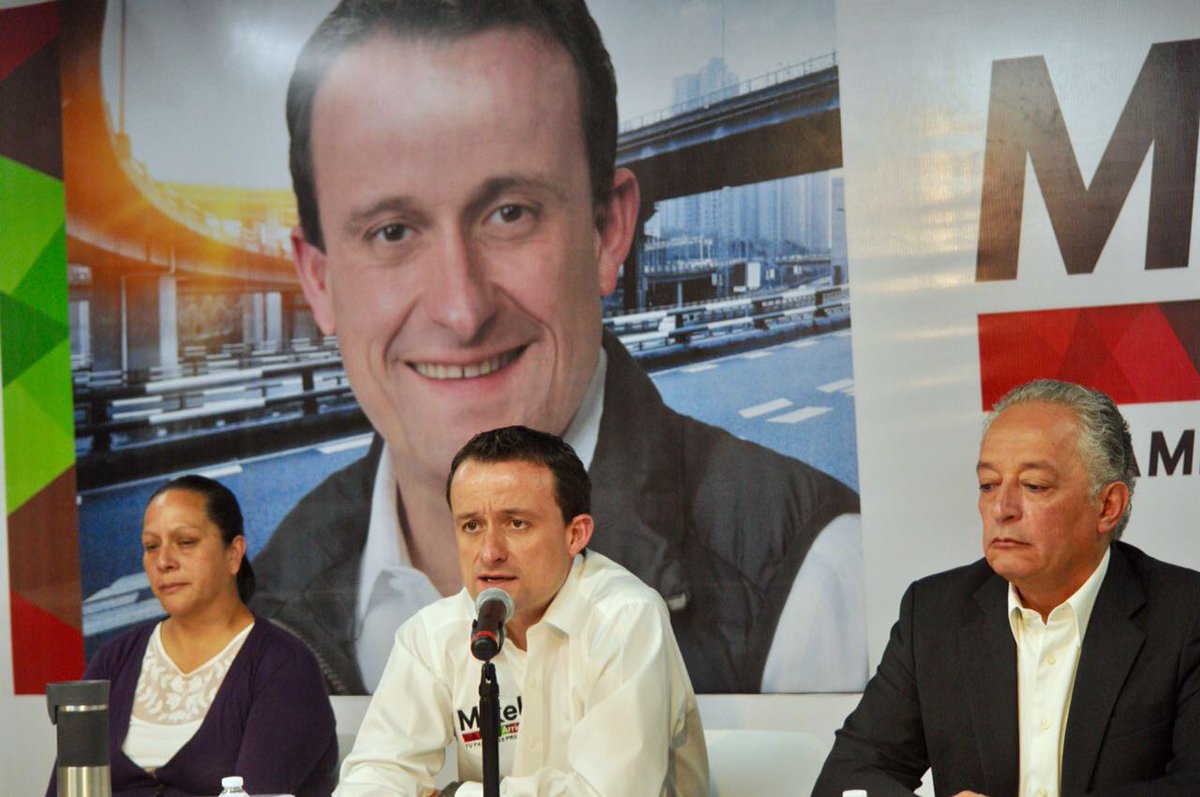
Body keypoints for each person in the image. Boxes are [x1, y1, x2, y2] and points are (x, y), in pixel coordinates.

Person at [251, 0, 863, 697]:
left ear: (608, 231)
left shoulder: (819, 594)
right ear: (319, 280)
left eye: (510, 213)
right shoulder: (256, 612)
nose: (461, 310)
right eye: (392, 232)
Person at [813, 379, 1200, 796]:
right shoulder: (933, 613)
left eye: (1034, 486)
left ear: (1107, 506)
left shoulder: (1186, 615)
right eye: (988, 485)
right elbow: (849, 775)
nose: (1002, 508)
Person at [336, 425, 708, 796]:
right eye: (471, 525)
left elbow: (608, 794)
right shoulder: (431, 635)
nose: (489, 552)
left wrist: (454, 795)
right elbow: (371, 778)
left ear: (575, 535)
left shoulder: (625, 617)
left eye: (516, 523)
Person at [48, 475, 338, 797]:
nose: (163, 562)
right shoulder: (114, 659)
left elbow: (259, 790)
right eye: (151, 546)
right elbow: (64, 790)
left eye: (185, 542)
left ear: (234, 554)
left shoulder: (284, 666)